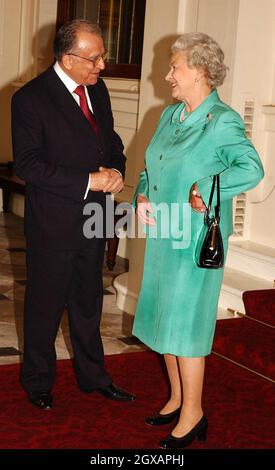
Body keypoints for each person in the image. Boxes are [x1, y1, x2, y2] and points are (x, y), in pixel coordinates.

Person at [133, 32, 264, 448]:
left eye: (175, 67)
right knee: (162, 319)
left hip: (196, 240)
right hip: (162, 233)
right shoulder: (171, 116)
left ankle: (194, 414)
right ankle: (175, 398)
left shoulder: (221, 120)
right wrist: (139, 193)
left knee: (185, 326)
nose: (167, 74)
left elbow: (252, 168)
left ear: (200, 72)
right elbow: (150, 166)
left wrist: (208, 184)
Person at [11, 19, 135, 409]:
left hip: (94, 218)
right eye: (95, 58)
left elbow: (112, 144)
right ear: (68, 57)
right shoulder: (30, 98)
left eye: (103, 56)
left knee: (88, 301)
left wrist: (116, 171)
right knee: (45, 305)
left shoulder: (98, 93)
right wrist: (88, 180)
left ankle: (93, 376)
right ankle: (37, 381)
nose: (102, 65)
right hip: (53, 220)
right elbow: (28, 166)